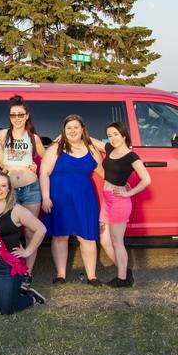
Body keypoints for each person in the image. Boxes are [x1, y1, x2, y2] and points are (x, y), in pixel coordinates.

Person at [40, 115, 105, 285]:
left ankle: (92, 276)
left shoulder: (91, 150)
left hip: (85, 199)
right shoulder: (56, 148)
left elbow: (104, 173)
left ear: (83, 129)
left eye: (76, 127)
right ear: (63, 131)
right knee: (60, 236)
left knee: (88, 238)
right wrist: (46, 197)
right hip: (59, 200)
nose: (72, 131)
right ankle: (61, 275)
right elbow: (44, 173)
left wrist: (121, 184)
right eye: (69, 128)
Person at [0, 172, 48, 314]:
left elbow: (41, 229)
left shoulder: (16, 210)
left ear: (9, 189)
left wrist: (27, 251)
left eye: (3, 186)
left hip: (4, 267)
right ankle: (13, 293)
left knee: (5, 310)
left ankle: (30, 298)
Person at [0, 95, 46, 275]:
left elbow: (46, 157)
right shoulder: (3, 135)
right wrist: (7, 167)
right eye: (13, 115)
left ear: (26, 116)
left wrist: (35, 165)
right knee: (10, 231)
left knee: (31, 232)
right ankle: (14, 268)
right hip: (10, 190)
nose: (16, 118)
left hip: (31, 189)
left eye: (20, 115)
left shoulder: (34, 138)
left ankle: (28, 273)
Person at [100, 122, 151, 287]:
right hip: (106, 200)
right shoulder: (109, 149)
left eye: (115, 134)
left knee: (116, 241)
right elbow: (91, 141)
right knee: (104, 241)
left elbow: (146, 180)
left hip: (119, 202)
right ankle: (125, 271)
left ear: (123, 135)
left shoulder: (131, 156)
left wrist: (128, 192)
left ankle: (122, 279)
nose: (112, 138)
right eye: (109, 135)